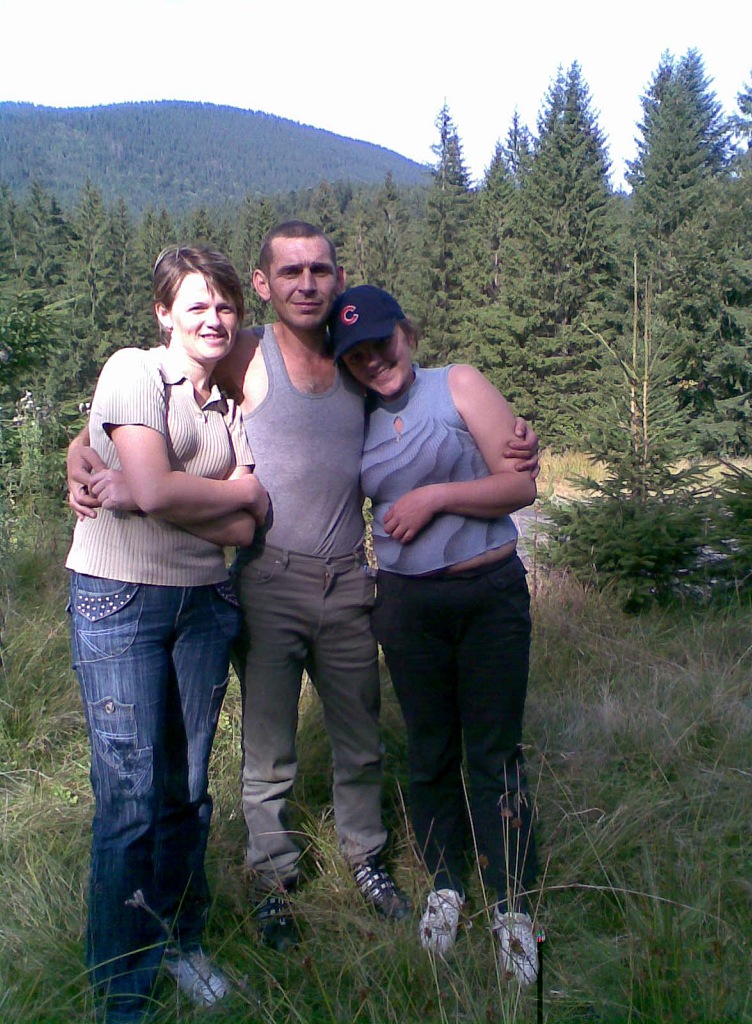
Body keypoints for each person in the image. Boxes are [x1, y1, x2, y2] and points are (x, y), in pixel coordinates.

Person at [68, 222, 541, 953]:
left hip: (349, 577)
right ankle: (273, 879)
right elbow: (157, 392)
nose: (306, 282)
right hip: (267, 578)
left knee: (361, 739)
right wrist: (82, 448)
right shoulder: (245, 350)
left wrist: (518, 441)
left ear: (338, 277)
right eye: (289, 271)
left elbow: (425, 411)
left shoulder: (356, 359)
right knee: (268, 752)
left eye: (320, 269)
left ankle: (367, 858)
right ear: (263, 284)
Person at [66, 246, 269, 1022]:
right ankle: (122, 988)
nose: (214, 319)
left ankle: (181, 942)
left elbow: (248, 519)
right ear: (164, 314)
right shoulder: (135, 372)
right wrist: (211, 494)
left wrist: (162, 493)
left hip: (203, 605)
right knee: (130, 799)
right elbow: (156, 489)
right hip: (119, 599)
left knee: (186, 793)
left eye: (225, 306)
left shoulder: (228, 406)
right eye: (197, 306)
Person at [328, 285, 541, 986]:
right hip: (406, 604)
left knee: (494, 750)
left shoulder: (459, 384)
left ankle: (511, 900)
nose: (372, 360)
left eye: (381, 343)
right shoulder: (352, 416)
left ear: (406, 333)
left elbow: (520, 485)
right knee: (429, 749)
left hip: (488, 597)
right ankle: (446, 885)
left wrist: (435, 497)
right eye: (355, 355)